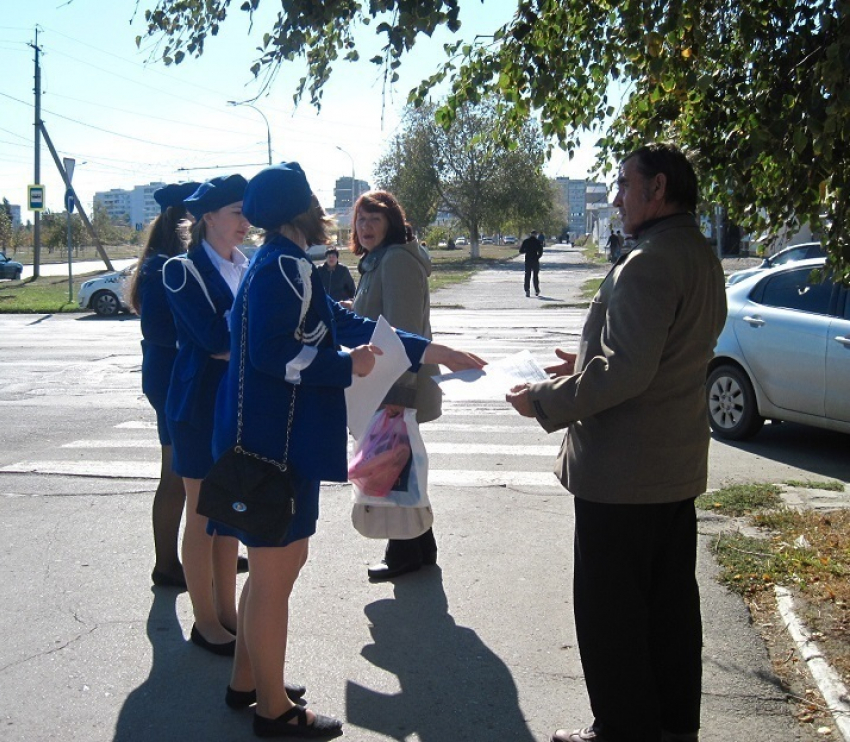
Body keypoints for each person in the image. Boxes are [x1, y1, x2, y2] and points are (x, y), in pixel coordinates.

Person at [211, 162, 485, 738]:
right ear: (298, 211)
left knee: (271, 567)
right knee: (278, 568)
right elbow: (271, 354)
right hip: (271, 446)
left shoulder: (287, 264)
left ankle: (248, 682)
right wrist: (346, 364)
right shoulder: (282, 267)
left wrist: (430, 350)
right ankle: (273, 709)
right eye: (313, 200)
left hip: (276, 442)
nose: (323, 210)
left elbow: (340, 320)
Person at [506, 143, 727, 742]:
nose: (620, 194)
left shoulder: (650, 260)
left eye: (626, 184)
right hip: (671, 469)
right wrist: (579, 361)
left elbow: (627, 373)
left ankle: (624, 729)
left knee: (613, 620)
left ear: (658, 188)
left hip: (624, 476)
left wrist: (545, 401)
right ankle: (671, 727)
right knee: (669, 615)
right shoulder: (698, 254)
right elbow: (664, 353)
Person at [162, 174, 250, 656]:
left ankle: (230, 614)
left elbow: (232, 340)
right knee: (201, 516)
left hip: (236, 404)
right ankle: (204, 621)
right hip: (198, 408)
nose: (245, 221)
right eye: (237, 211)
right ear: (209, 217)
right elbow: (215, 340)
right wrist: (261, 336)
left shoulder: (246, 265)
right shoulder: (182, 270)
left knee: (227, 517)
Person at [348, 190, 443, 581]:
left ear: (391, 222)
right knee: (402, 466)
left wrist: (396, 399)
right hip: (383, 384)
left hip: (396, 387)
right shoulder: (378, 261)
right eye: (361, 219)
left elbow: (402, 333)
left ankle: (403, 551)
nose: (366, 227)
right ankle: (420, 547)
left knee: (394, 466)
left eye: (375, 219)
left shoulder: (397, 260)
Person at [127, 180, 198, 588]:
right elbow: (159, 329)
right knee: (176, 474)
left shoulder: (167, 263)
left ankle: (202, 552)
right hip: (173, 378)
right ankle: (168, 564)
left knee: (192, 473)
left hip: (174, 375)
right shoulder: (161, 268)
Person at [519, 230, 544, 296]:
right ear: (536, 235)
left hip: (528, 260)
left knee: (527, 275)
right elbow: (541, 252)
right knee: (535, 276)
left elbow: (521, 251)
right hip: (535, 260)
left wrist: (526, 251)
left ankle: (527, 290)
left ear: (530, 234)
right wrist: (537, 257)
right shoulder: (538, 242)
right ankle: (536, 290)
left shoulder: (526, 241)